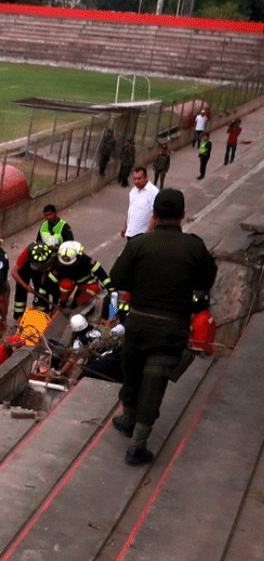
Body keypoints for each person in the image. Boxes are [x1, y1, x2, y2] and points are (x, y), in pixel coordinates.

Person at [110, 188, 217, 465]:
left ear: (154, 215)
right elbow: (206, 282)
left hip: (138, 323)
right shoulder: (194, 246)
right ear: (182, 215)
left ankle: (127, 418)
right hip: (171, 328)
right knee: (154, 381)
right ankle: (138, 444)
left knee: (132, 371)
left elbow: (118, 277)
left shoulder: (139, 245)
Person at [48, 241, 115, 311]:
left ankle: (76, 303)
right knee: (65, 284)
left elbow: (101, 274)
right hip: (70, 285)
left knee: (94, 289)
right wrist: (43, 293)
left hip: (85, 283)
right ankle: (62, 302)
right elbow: (50, 279)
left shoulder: (86, 260)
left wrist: (111, 289)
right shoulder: (60, 259)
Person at [11, 243, 57, 321]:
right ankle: (19, 316)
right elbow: (14, 272)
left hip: (39, 271)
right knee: (21, 291)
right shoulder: (26, 253)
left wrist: (42, 287)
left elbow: (44, 273)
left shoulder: (48, 254)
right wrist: (25, 286)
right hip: (25, 269)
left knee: (41, 290)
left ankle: (42, 312)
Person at [122, 167, 158, 241]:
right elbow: (131, 210)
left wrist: (149, 231)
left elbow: (156, 214)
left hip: (142, 234)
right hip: (131, 233)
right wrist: (125, 226)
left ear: (146, 177)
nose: (136, 181)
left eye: (139, 178)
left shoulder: (153, 192)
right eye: (134, 179)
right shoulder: (133, 191)